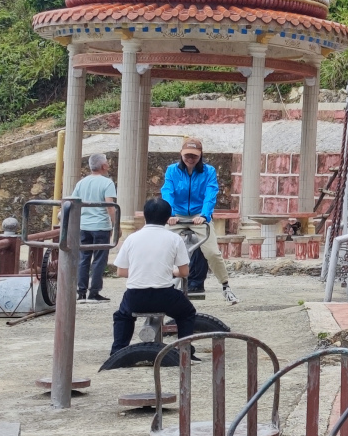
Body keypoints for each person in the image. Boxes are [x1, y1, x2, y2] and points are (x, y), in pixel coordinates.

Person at [106, 197, 203, 359]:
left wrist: (142, 271)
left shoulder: (131, 238)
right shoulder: (174, 239)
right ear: (168, 218)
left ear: (145, 215)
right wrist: (170, 272)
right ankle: (184, 349)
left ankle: (118, 351)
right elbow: (184, 272)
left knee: (122, 315)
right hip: (164, 296)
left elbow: (121, 272)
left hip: (136, 297)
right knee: (187, 312)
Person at [162, 135, 238, 305]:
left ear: (201, 154)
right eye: (187, 155)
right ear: (181, 153)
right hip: (178, 215)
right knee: (163, 246)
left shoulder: (208, 171)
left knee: (212, 252)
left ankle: (226, 287)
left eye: (194, 155)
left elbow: (210, 194)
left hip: (199, 216)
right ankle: (160, 284)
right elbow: (168, 192)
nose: (190, 158)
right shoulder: (172, 170)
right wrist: (170, 214)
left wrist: (204, 215)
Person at [69, 153, 116, 301]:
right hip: (101, 225)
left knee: (84, 258)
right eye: (107, 163)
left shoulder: (81, 183)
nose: (108, 165)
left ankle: (81, 291)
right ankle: (94, 291)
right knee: (99, 259)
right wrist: (116, 224)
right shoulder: (107, 183)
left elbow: (72, 202)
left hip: (83, 226)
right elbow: (110, 206)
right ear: (103, 166)